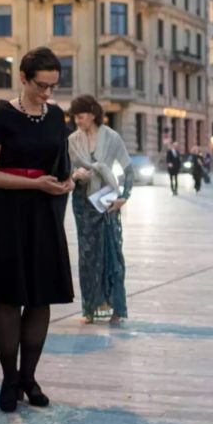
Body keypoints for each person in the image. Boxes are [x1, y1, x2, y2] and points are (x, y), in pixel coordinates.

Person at [0, 47, 75, 413]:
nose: (47, 93)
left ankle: (29, 377)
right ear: (23, 78)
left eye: (52, 86)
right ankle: (8, 378)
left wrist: (66, 183)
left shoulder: (57, 115)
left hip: (43, 215)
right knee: (9, 297)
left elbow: (60, 166)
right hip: (4, 215)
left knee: (41, 297)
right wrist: (35, 185)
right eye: (40, 86)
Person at [67, 94, 133, 325]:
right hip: (83, 203)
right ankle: (90, 309)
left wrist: (124, 197)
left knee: (111, 253)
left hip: (107, 201)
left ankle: (116, 309)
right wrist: (75, 175)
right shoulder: (73, 140)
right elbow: (67, 171)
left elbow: (127, 169)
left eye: (81, 116)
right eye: (75, 116)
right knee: (87, 256)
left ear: (93, 115)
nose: (77, 120)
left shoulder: (112, 137)